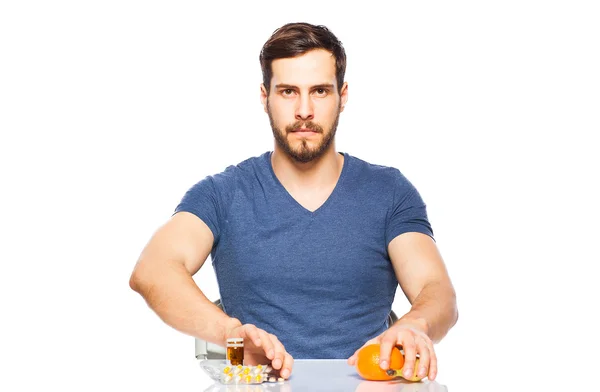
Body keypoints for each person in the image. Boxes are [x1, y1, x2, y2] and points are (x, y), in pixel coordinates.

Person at [129, 22, 458, 382]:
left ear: (342, 96)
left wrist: (415, 325)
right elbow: (153, 270)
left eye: (319, 91)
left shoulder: (389, 191)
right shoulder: (222, 193)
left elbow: (436, 289)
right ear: (264, 96)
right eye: (288, 91)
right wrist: (230, 335)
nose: (304, 110)